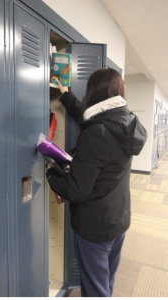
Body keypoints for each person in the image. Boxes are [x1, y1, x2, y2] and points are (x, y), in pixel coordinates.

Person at [46, 68, 147, 297]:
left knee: (94, 290)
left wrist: (50, 175)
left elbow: (76, 190)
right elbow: (90, 119)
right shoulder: (127, 122)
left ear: (94, 92)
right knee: (106, 282)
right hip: (118, 220)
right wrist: (65, 94)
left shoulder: (96, 133)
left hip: (94, 227)